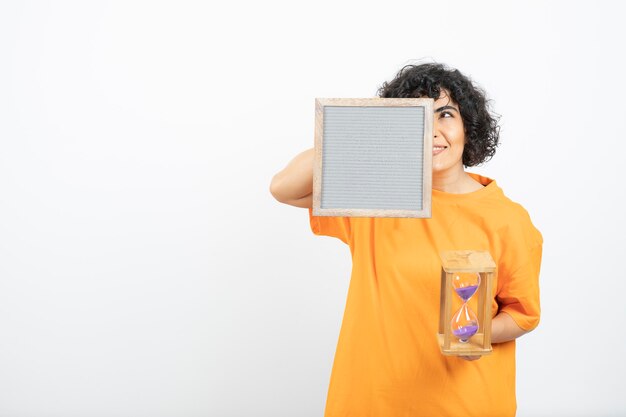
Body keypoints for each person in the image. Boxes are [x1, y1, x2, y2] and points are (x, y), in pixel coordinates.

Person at [269, 62, 543, 417]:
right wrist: (368, 128)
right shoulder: (379, 199)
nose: (432, 131)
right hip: (371, 402)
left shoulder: (506, 218)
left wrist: (477, 333)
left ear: (468, 126)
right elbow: (283, 187)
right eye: (417, 118)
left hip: (463, 404)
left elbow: (523, 315)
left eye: (445, 114)